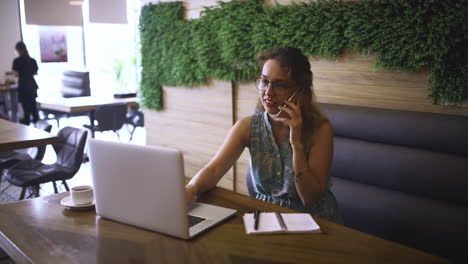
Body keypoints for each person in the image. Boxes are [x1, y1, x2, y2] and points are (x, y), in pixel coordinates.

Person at [185, 47, 342, 223]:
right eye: (265, 82)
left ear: (300, 90)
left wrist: (296, 143)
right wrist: (191, 188)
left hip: (314, 221)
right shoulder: (248, 127)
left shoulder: (320, 129)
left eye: (280, 85)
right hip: (266, 219)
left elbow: (309, 197)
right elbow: (214, 170)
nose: (268, 92)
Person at [12, 41, 39, 125]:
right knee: (33, 107)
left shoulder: (17, 61)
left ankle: (27, 127)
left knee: (26, 109)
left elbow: (16, 74)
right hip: (32, 85)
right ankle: (39, 125)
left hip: (23, 86)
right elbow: (35, 73)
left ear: (18, 50)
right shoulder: (32, 60)